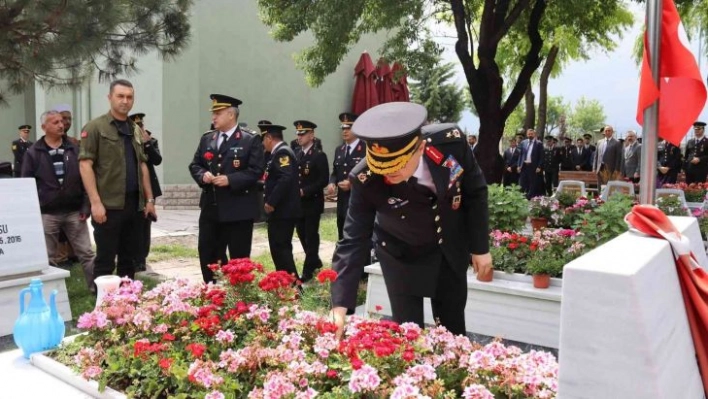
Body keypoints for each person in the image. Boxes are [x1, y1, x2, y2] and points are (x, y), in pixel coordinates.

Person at [330, 102, 491, 337]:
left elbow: (475, 191)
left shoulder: (451, 143)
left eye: (397, 165)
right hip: (400, 254)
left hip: (448, 247)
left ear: (420, 148)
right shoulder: (365, 178)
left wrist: (480, 248)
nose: (389, 173)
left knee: (452, 331)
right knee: (408, 334)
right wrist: (339, 308)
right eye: (382, 166)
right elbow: (353, 240)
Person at [79, 79, 157, 284]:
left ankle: (126, 303)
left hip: (134, 205)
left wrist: (149, 200)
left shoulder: (135, 129)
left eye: (129, 97)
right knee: (105, 260)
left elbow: (142, 166)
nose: (125, 101)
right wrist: (95, 202)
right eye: (120, 96)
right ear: (110, 97)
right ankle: (102, 308)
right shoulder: (95, 127)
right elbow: (85, 165)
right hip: (108, 206)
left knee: (128, 260)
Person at [188, 94, 264, 283]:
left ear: (231, 115)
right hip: (211, 208)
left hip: (238, 209)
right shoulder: (208, 138)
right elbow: (195, 164)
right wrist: (202, 175)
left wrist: (230, 179)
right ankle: (213, 291)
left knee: (239, 258)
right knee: (208, 252)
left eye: (218, 113)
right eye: (213, 113)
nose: (213, 117)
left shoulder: (249, 140)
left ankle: (238, 298)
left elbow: (256, 171)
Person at [22, 110, 95, 292]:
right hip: (48, 213)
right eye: (55, 122)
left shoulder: (74, 148)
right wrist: (36, 210)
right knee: (47, 258)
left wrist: (86, 206)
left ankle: (97, 292)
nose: (61, 125)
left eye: (61, 121)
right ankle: (49, 295)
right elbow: (26, 184)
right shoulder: (33, 153)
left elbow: (86, 179)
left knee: (86, 253)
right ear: (44, 127)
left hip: (74, 212)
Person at [259, 122, 301, 279]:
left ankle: (292, 285)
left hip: (283, 211)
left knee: (281, 249)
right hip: (281, 211)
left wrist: (271, 202)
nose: (263, 144)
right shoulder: (277, 154)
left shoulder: (283, 153)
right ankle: (284, 282)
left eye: (263, 140)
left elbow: (285, 178)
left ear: (269, 138)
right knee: (277, 248)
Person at [293, 119, 329, 283]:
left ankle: (308, 269)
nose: (299, 136)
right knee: (301, 233)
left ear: (311, 135)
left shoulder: (319, 155)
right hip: (299, 204)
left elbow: (323, 180)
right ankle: (314, 260)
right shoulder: (296, 153)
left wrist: (305, 191)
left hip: (312, 202)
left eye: (303, 133)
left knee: (311, 235)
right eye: (298, 133)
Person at [130, 113, 163, 272]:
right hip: (132, 187)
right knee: (133, 224)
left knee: (144, 224)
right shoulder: (126, 141)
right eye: (136, 126)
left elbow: (157, 160)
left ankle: (141, 258)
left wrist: (147, 144)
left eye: (140, 125)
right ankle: (132, 256)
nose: (139, 128)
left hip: (149, 188)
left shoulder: (150, 141)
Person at [327, 112, 365, 240]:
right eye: (343, 128)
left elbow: (371, 172)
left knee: (355, 234)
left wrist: (353, 183)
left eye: (348, 127)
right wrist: (332, 182)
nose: (345, 131)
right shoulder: (340, 150)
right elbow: (335, 171)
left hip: (358, 198)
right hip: (342, 200)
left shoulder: (365, 148)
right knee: (342, 231)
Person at [517, 128, 544, 199]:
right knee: (522, 183)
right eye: (529, 134)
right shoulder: (523, 142)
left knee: (532, 183)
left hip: (533, 167)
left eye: (531, 134)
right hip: (524, 166)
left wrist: (539, 167)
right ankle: (522, 198)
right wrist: (519, 165)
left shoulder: (539, 143)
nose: (530, 135)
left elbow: (541, 157)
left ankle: (530, 198)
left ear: (534, 134)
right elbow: (521, 155)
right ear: (527, 134)